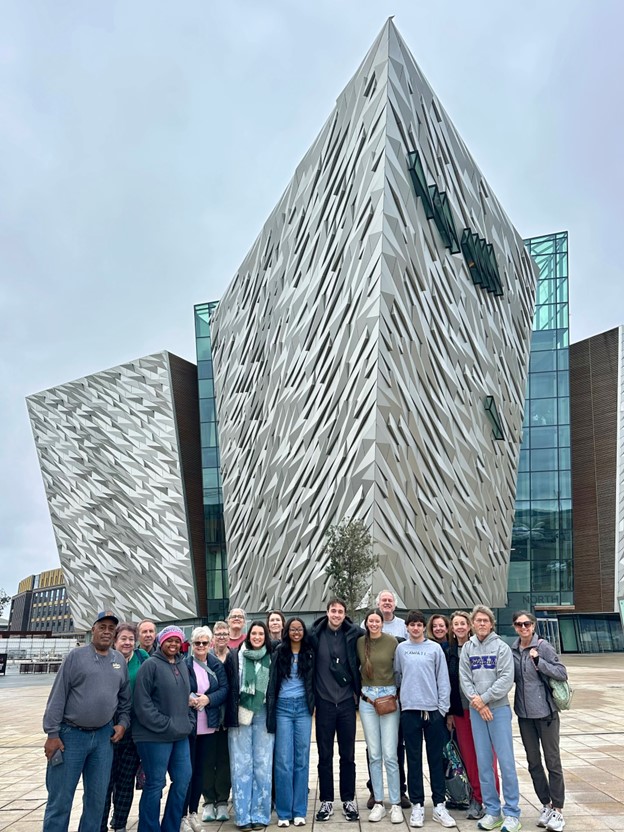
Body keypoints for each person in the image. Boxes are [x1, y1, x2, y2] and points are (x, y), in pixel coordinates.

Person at [42, 610, 131, 832]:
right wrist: (52, 734)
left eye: (111, 629)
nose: (107, 632)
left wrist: (123, 723)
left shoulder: (118, 660)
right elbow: (58, 695)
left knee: (96, 800)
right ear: (93, 630)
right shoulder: (76, 657)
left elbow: (124, 700)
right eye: (102, 627)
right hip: (71, 736)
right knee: (60, 800)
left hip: (103, 738)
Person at [459, 605, 520, 832]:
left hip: (498, 710)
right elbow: (465, 678)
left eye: (485, 620)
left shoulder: (501, 648)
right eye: (478, 620)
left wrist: (484, 700)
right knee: (484, 763)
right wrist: (477, 702)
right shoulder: (467, 648)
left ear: (491, 624)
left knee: (506, 762)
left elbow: (506, 678)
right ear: (473, 624)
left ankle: (512, 812)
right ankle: (492, 810)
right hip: (477, 711)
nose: (482, 624)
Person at [394, 610, 456, 829]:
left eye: (420, 625)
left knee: (435, 759)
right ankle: (418, 804)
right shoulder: (401, 649)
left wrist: (442, 709)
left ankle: (439, 804)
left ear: (424, 627)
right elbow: (398, 676)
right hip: (410, 711)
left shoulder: (435, 648)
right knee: (413, 759)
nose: (416, 628)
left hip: (433, 713)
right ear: (407, 627)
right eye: (412, 625)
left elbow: (443, 680)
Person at [133, 625, 194, 832]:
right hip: (154, 736)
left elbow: (188, 697)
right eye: (169, 640)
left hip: (180, 735)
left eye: (177, 640)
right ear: (161, 641)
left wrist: (189, 721)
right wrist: (165, 724)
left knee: (183, 779)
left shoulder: (183, 665)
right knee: (155, 784)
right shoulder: (150, 666)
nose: (173, 644)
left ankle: (171, 827)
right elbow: (142, 703)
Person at [512, 611, 568, 832]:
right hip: (525, 716)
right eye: (519, 624)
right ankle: (546, 804)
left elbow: (561, 673)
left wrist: (539, 661)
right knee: (533, 762)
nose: (523, 627)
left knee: (552, 762)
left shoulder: (543, 646)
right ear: (515, 627)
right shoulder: (513, 650)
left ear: (533, 626)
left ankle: (558, 810)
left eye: (527, 624)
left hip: (546, 714)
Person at [311, 597, 361, 822]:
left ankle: (348, 799)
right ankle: (327, 801)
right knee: (324, 755)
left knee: (348, 754)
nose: (337, 615)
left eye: (341, 611)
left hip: (347, 704)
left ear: (345, 614)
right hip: (324, 703)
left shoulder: (353, 634)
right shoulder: (314, 635)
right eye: (333, 611)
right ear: (327, 612)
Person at [445, 611, 498, 822]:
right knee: (470, 758)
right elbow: (448, 684)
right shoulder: (448, 651)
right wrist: (449, 712)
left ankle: (493, 799)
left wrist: (482, 700)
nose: (459, 627)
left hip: (483, 708)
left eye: (462, 623)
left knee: (488, 757)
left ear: (470, 626)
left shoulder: (482, 648)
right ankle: (477, 798)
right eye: (455, 624)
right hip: (461, 711)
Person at [101, 622, 149, 832]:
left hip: (133, 730)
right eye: (123, 639)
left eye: (131, 639)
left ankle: (119, 823)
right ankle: (99, 823)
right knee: (104, 781)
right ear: (115, 641)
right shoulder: (105, 659)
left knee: (125, 779)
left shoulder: (142, 659)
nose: (128, 642)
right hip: (108, 729)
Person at [267, 617, 315, 827]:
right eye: (293, 629)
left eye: (299, 629)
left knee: (301, 760)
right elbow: (272, 683)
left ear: (304, 631)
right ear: (287, 631)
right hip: (283, 708)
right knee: (283, 761)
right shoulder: (279, 652)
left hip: (303, 708)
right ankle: (284, 813)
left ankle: (299, 811)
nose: (296, 632)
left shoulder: (310, 653)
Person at [181, 626, 229, 832]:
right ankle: (182, 815)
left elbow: (225, 689)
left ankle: (193, 813)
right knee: (186, 772)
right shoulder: (185, 664)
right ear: (192, 645)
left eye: (204, 643)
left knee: (202, 770)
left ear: (210, 644)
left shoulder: (216, 664)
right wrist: (189, 699)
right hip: (190, 726)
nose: (200, 646)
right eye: (197, 643)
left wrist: (208, 699)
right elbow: (179, 687)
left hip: (209, 725)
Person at [228, 620, 275, 830]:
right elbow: (230, 686)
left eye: (261, 634)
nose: (257, 637)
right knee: (241, 765)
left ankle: (260, 814)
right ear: (248, 636)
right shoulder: (236, 656)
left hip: (264, 712)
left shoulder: (272, 657)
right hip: (241, 713)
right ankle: (242, 816)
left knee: (263, 765)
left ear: (265, 637)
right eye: (254, 634)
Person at [357, 609, 402, 824]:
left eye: (377, 621)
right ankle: (378, 802)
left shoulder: (393, 642)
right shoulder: (359, 643)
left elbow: (401, 670)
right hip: (367, 700)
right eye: (370, 621)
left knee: (390, 754)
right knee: (374, 753)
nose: (374, 624)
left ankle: (395, 804)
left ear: (382, 623)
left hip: (389, 698)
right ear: (366, 623)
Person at [368, 590, 409, 810]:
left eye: (390, 601)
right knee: (373, 748)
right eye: (383, 600)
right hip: (372, 695)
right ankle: (374, 791)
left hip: (397, 693)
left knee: (395, 745)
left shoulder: (403, 626)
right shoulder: (370, 625)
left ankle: (399, 791)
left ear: (394, 604)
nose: (386, 603)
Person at [203, 620, 236, 822]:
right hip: (208, 716)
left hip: (228, 717)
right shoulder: (205, 656)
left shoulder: (234, 657)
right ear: (213, 636)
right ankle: (208, 800)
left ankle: (222, 800)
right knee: (207, 760)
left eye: (225, 633)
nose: (222, 636)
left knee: (225, 760)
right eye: (218, 633)